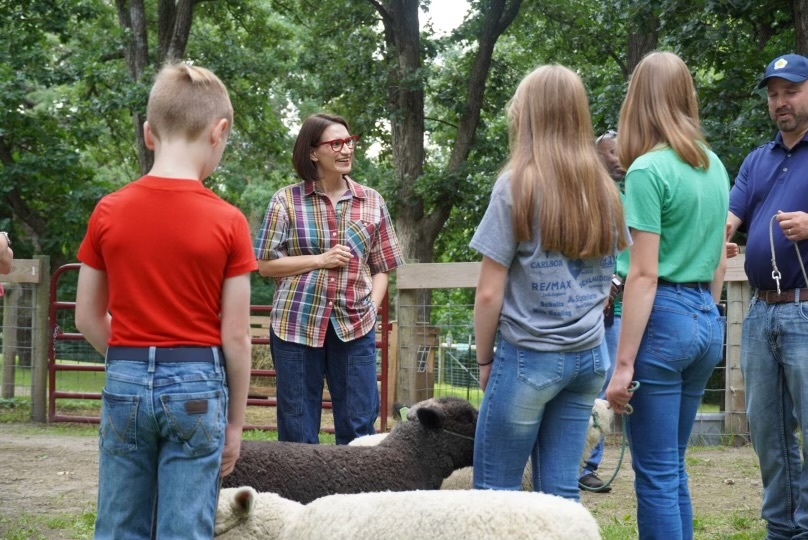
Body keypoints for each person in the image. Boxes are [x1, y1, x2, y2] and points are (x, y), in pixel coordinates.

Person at [75, 63, 255, 539]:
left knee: (118, 524)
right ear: (220, 132)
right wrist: (234, 424)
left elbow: (87, 317)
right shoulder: (229, 222)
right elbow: (235, 336)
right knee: (185, 528)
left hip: (126, 376)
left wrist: (134, 361)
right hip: (197, 386)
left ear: (149, 133)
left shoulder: (108, 211)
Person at [470, 64, 628, 501]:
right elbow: (609, 274)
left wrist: (485, 362)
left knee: (494, 495)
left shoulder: (515, 186)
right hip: (588, 358)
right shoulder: (605, 189)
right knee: (560, 494)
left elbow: (488, 292)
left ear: (528, 117)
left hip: (530, 357)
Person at [605, 51, 729, 540]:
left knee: (655, 475)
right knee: (672, 467)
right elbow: (719, 259)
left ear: (637, 101)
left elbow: (643, 275)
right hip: (705, 315)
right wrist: (707, 314)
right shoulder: (713, 165)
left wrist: (622, 366)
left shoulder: (645, 172)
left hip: (663, 320)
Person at [254, 113, 404, 445]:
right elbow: (264, 265)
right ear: (312, 152)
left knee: (359, 426)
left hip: (355, 326)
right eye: (336, 143)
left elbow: (382, 267)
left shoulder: (372, 201)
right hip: (296, 325)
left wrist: (371, 308)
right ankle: (300, 496)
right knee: (298, 427)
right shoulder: (286, 201)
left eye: (350, 142)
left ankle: (354, 496)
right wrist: (319, 260)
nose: (346, 149)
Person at [725, 52, 808, 540]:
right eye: (774, 95)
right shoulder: (758, 159)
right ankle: (783, 529)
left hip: (805, 308)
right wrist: (720, 241)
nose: (781, 102)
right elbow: (729, 219)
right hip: (761, 312)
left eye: (791, 91)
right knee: (769, 434)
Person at [578, 129, 628, 493]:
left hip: (620, 310)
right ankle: (575, 464)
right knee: (585, 386)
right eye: (610, 152)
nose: (616, 158)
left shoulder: (631, 194)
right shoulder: (581, 195)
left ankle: (588, 465)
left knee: (608, 385)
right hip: (584, 310)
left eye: (619, 151)